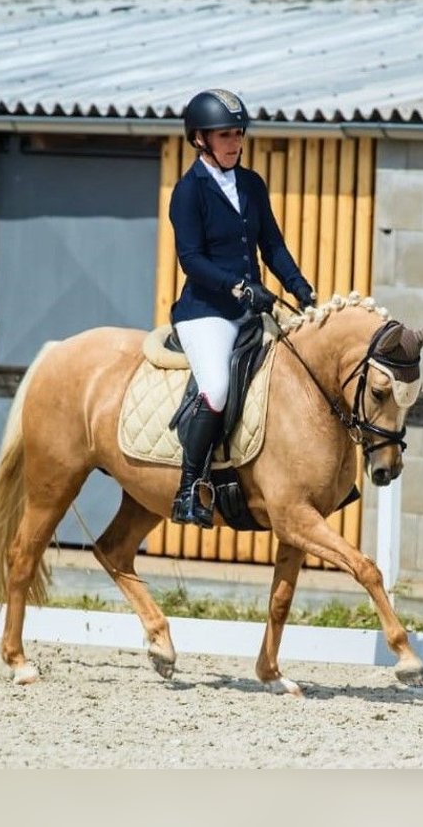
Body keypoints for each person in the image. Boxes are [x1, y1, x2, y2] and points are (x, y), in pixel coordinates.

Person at [167, 88, 317, 528]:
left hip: (249, 309)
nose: (234, 142)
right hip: (206, 312)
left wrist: (299, 286)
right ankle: (189, 489)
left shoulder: (251, 184)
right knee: (215, 387)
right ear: (200, 140)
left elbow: (271, 244)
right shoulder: (187, 192)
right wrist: (239, 287)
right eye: (225, 135)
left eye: (238, 133)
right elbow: (191, 259)